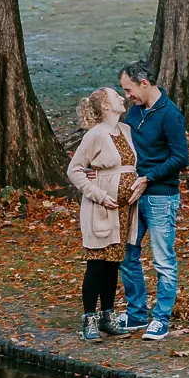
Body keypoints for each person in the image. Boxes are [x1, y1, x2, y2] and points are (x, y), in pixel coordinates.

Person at [118, 61, 188, 341]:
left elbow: (180, 158)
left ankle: (161, 318)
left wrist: (148, 178)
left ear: (144, 83)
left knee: (163, 260)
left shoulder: (170, 115)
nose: (127, 96)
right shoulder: (135, 114)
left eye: (129, 89)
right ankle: (136, 314)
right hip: (135, 196)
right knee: (127, 254)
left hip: (160, 197)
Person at [66, 86, 139, 341]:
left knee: (112, 265)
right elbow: (74, 170)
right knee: (96, 265)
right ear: (106, 105)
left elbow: (127, 167)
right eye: (115, 95)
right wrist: (97, 193)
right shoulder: (95, 135)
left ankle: (108, 316)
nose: (121, 97)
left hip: (123, 210)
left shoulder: (126, 131)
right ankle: (89, 319)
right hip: (101, 209)